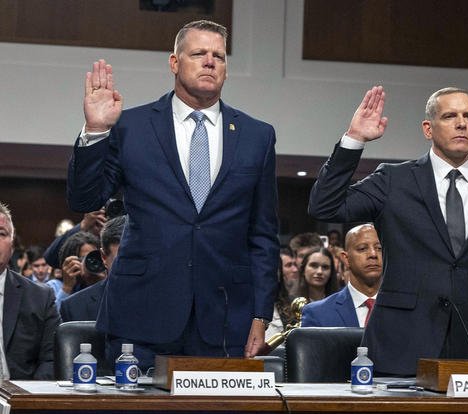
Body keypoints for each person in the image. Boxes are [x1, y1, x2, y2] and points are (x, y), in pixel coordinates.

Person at [66, 20, 279, 370]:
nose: (210, 62)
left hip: (225, 321)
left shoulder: (257, 136)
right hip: (141, 316)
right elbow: (84, 200)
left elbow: (263, 233)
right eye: (198, 53)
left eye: (219, 56)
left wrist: (260, 314)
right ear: (174, 62)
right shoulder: (131, 127)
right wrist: (95, 131)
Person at [308, 86, 468, 375]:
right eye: (449, 116)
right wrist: (355, 140)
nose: (461, 123)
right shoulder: (393, 180)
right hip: (401, 346)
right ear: (428, 128)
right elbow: (325, 206)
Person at [0, 202, 60, 380]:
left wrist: (28, 400)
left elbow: (50, 359)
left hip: (19, 399)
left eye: (1, 234)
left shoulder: (40, 297)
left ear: (12, 244)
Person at [302, 224, 382, 327]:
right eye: (362, 249)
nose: (373, 254)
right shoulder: (317, 313)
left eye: (379, 248)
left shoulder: (406, 309)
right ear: (346, 259)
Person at [60, 215, 126, 322]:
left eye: (137, 258)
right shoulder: (74, 307)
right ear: (103, 257)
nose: (129, 266)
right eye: (121, 260)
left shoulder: (160, 296)